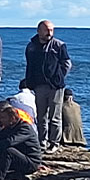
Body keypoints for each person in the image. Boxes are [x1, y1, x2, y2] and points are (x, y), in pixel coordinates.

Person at [24, 20, 72, 152]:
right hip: (39, 85)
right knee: (41, 115)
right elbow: (29, 65)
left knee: (55, 116)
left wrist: (58, 77)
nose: (49, 33)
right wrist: (30, 82)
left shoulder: (58, 45)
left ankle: (54, 142)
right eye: (47, 30)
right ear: (39, 31)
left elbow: (67, 64)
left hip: (55, 86)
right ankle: (41, 141)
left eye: (51, 30)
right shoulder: (31, 46)